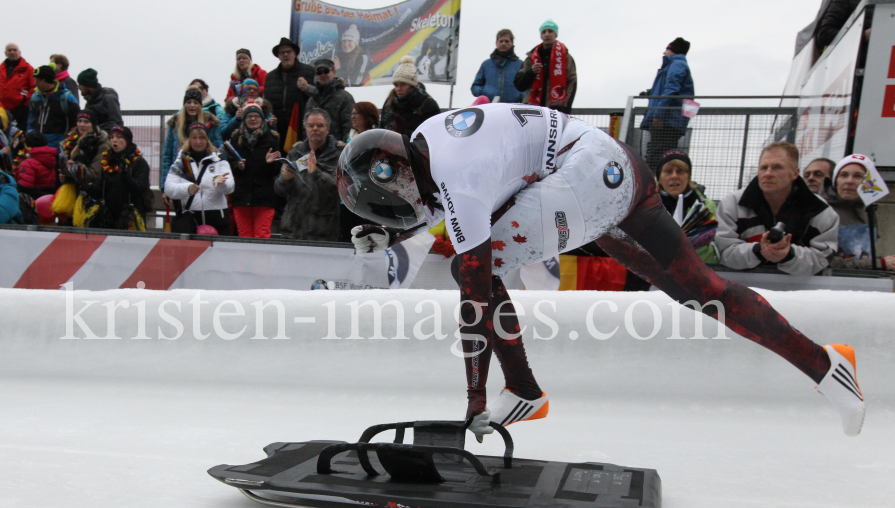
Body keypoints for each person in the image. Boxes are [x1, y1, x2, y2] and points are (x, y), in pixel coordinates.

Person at [337, 103, 866, 439]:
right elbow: (443, 202)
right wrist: (394, 233)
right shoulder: (431, 138)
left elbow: (473, 290)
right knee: (699, 290)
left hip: (584, 181)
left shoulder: (457, 177)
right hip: (610, 166)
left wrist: (474, 396)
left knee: (474, 272)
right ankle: (826, 364)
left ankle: (522, 389)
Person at [715, 142, 838, 276]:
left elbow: (823, 258)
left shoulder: (819, 209)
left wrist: (788, 255)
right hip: (743, 289)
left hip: (800, 292)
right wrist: (759, 250)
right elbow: (722, 251)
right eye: (763, 167)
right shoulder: (732, 203)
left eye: (777, 167)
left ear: (795, 173)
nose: (768, 173)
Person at [276, 108, 342, 241]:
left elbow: (338, 190)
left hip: (322, 232)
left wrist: (316, 173)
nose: (315, 129)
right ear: (306, 129)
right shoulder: (295, 153)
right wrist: (285, 179)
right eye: (311, 126)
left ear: (327, 128)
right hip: (291, 230)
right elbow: (279, 191)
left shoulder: (340, 154)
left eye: (320, 125)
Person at [163, 123, 235, 235]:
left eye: (202, 138)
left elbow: (230, 188)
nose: (198, 142)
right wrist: (187, 189)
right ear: (188, 140)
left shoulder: (219, 161)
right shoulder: (181, 163)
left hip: (217, 219)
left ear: (207, 140)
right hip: (191, 219)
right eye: (194, 138)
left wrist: (221, 183)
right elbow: (169, 188)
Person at [828, 154, 895, 270]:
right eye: (844, 175)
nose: (849, 181)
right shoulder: (822, 210)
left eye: (858, 176)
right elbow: (823, 261)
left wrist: (888, 261)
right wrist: (879, 263)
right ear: (835, 181)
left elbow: (863, 256)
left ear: (869, 182)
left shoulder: (869, 211)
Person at [641, 38, 695, 171]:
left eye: (667, 49)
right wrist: (651, 93)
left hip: (667, 120)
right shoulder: (677, 65)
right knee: (661, 156)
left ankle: (653, 187)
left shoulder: (676, 65)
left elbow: (671, 90)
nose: (664, 52)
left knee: (656, 157)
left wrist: (658, 114)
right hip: (671, 120)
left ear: (673, 50)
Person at [227, 105, 281, 238]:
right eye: (249, 116)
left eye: (256, 116)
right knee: (244, 238)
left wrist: (269, 163)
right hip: (241, 198)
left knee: (261, 237)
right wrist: (236, 166)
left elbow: (277, 170)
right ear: (244, 120)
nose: (253, 119)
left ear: (262, 119)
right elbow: (228, 163)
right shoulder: (235, 139)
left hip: (263, 198)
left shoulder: (272, 139)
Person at [655, 150, 718, 264]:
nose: (674, 176)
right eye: (668, 172)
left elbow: (714, 252)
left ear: (688, 177)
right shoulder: (646, 208)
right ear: (659, 178)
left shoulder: (706, 207)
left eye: (680, 171)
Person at [85, 125, 149, 231]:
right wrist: (85, 184)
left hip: (130, 217)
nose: (114, 140)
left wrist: (125, 175)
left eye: (119, 137)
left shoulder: (139, 162)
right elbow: (100, 189)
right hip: (108, 217)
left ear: (127, 140)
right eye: (112, 137)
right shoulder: (107, 161)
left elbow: (139, 189)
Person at [161, 88, 223, 193]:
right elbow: (167, 156)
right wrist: (164, 186)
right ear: (184, 105)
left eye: (195, 102)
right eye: (188, 102)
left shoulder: (210, 124)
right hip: (180, 177)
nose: (192, 105)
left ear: (200, 105)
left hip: (205, 175)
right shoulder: (175, 124)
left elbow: (219, 151)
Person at [54, 111, 110, 226]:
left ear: (93, 124)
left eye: (86, 122)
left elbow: (94, 174)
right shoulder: (71, 140)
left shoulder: (102, 143)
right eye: (79, 121)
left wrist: (74, 169)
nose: (82, 125)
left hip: (91, 197)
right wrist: (65, 175)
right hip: (70, 194)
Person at [513, 21, 577, 114]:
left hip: (556, 110)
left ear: (556, 34)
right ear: (541, 35)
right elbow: (519, 85)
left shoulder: (566, 57)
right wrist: (531, 72)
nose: (547, 34)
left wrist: (566, 108)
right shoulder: (532, 57)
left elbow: (572, 83)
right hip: (532, 108)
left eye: (550, 31)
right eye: (544, 32)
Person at [264, 37, 315, 142]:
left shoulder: (309, 72)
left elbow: (320, 96)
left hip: (302, 129)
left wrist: (307, 89)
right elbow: (266, 105)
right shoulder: (270, 77)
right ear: (278, 56)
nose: (286, 55)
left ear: (295, 53)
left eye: (288, 51)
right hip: (277, 131)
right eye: (282, 52)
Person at [379, 56, 440, 135]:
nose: (398, 89)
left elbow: (433, 133)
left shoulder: (427, 104)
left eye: (403, 84)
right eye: (396, 85)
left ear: (412, 86)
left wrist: (404, 134)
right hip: (389, 146)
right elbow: (382, 129)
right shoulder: (390, 103)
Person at [27, 65, 80, 150]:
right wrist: (29, 135)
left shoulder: (66, 98)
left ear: (45, 80)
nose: (35, 83)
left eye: (37, 80)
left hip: (58, 145)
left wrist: (69, 142)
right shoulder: (35, 97)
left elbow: (75, 122)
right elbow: (31, 120)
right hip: (36, 144)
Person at [303, 59, 354, 141]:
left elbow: (349, 127)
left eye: (326, 71)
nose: (323, 75)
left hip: (337, 148)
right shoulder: (311, 100)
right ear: (316, 75)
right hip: (315, 148)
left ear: (334, 72)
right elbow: (305, 128)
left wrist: (344, 147)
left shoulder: (345, 97)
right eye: (319, 72)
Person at [471, 29, 524, 104]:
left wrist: (520, 96)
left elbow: (527, 89)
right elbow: (475, 87)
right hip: (490, 108)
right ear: (496, 43)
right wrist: (485, 92)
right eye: (501, 41)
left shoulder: (520, 65)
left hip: (513, 108)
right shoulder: (486, 64)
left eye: (507, 41)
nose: (503, 44)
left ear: (512, 43)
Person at [0, 43, 36, 131]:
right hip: (2, 109)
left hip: (21, 110)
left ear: (19, 52)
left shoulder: (28, 69)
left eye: (14, 50)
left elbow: (34, 87)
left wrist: (26, 103)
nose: (12, 52)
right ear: (5, 53)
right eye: (9, 50)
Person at [15, 131, 58, 199]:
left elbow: (24, 186)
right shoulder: (51, 158)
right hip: (50, 198)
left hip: (34, 200)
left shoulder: (28, 163)